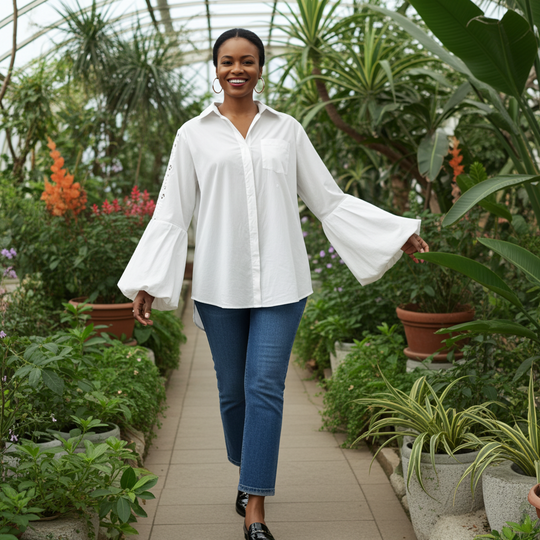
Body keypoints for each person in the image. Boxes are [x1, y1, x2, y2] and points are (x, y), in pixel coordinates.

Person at [118, 28, 429, 540]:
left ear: (261, 68)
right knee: (232, 393)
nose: (236, 69)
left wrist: (396, 234)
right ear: (214, 69)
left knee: (265, 387)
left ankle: (255, 506)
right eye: (227, 61)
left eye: (247, 61)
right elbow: (173, 213)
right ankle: (249, 468)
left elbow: (327, 199)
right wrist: (148, 281)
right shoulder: (192, 135)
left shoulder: (287, 131)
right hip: (220, 285)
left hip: (283, 282)